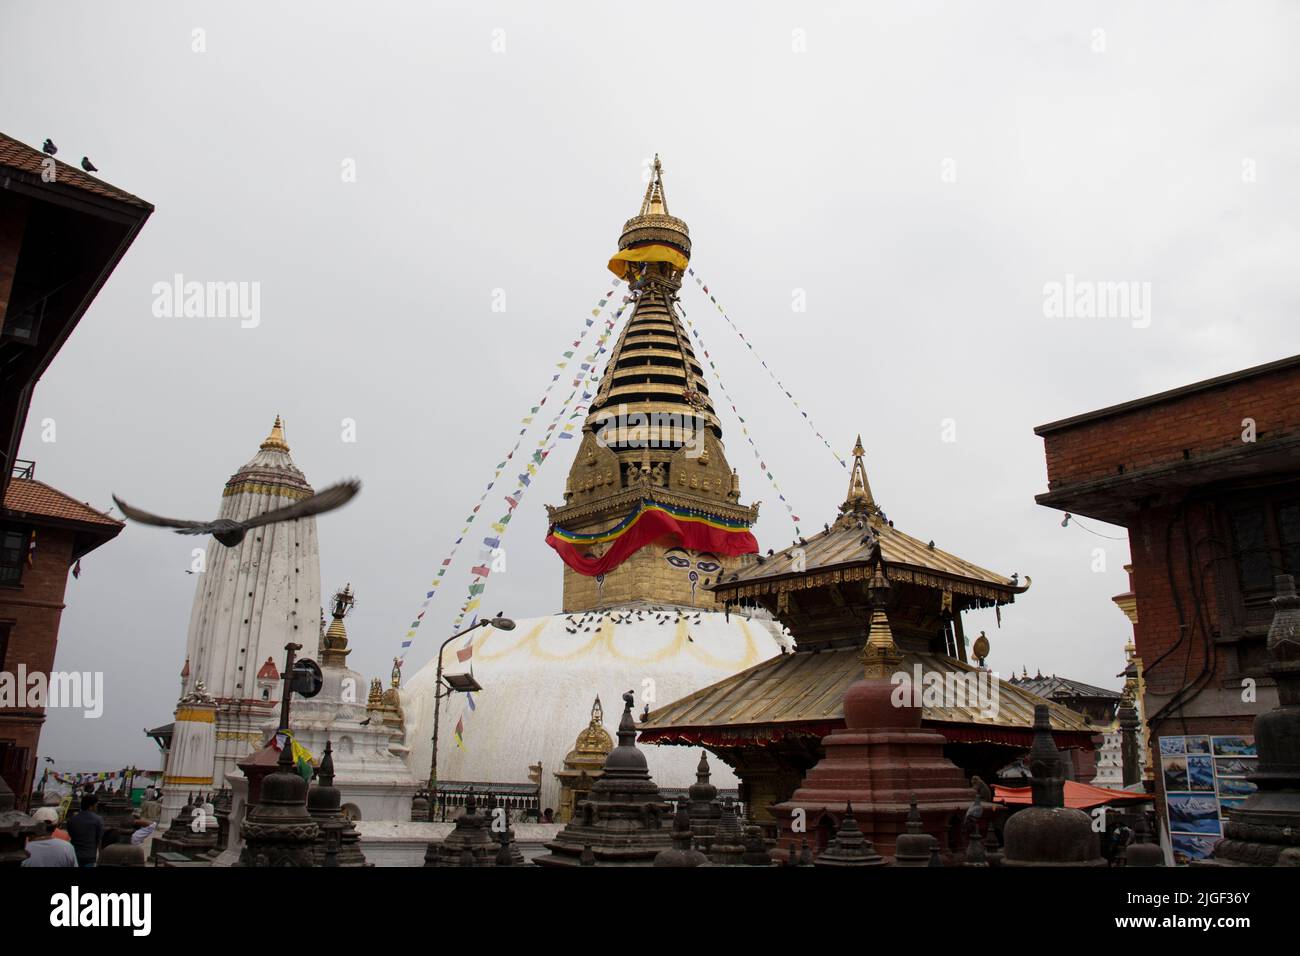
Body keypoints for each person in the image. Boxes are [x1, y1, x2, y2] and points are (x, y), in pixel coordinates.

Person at [65, 792, 105, 867]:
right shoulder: (98, 820)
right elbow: (99, 839)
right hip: (89, 857)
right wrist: (100, 857)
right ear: (91, 806)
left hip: (74, 854)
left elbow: (70, 835)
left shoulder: (72, 820)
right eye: (96, 805)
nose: (96, 807)